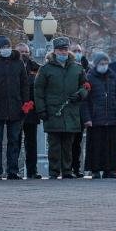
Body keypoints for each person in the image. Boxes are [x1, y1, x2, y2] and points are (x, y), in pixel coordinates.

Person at [34, 37, 87, 179]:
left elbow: (86, 86)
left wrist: (80, 94)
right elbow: (38, 91)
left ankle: (67, 171)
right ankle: (54, 171)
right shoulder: (45, 69)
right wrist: (41, 110)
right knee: (54, 144)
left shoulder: (77, 68)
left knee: (68, 144)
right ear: (55, 51)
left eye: (65, 49)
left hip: (71, 112)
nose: (63, 52)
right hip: (53, 112)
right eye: (60, 50)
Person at [0, 35, 29, 180]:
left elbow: (24, 85)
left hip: (16, 107)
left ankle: (12, 170)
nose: (6, 49)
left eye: (8, 47)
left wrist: (25, 104)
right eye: (3, 47)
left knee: (14, 140)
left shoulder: (18, 62)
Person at [81, 52, 116, 178]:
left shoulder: (113, 77)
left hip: (111, 118)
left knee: (110, 145)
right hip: (95, 119)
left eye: (105, 63)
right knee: (95, 145)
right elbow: (85, 100)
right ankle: (95, 169)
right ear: (96, 64)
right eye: (101, 63)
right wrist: (87, 118)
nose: (103, 66)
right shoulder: (89, 77)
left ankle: (109, 169)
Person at [17, 43, 42, 179]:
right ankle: (13, 170)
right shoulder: (11, 66)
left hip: (32, 111)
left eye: (26, 51)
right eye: (21, 52)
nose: (23, 54)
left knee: (31, 143)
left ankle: (32, 171)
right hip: (15, 111)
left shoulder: (35, 67)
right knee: (15, 141)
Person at [68, 43, 90, 175]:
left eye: (79, 50)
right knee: (67, 142)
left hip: (81, 110)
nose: (77, 53)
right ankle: (66, 168)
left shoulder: (87, 68)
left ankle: (76, 168)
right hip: (69, 108)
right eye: (74, 50)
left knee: (77, 142)